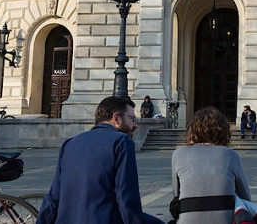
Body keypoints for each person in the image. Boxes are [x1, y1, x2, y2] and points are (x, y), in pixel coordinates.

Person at [37, 96, 165, 224]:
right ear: (116, 118)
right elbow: (126, 196)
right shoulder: (121, 141)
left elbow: (53, 197)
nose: (135, 125)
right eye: (132, 119)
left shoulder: (70, 144)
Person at [170, 107, 253, 224]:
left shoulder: (178, 154)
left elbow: (177, 194)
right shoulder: (230, 154)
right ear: (223, 131)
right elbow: (245, 197)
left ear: (192, 130)